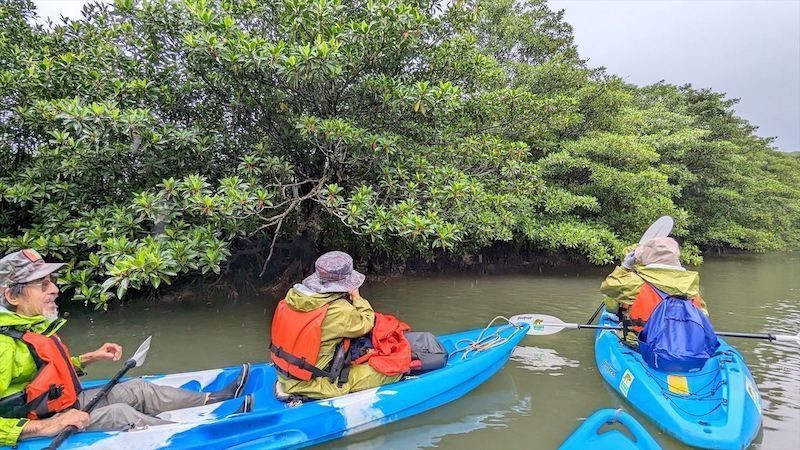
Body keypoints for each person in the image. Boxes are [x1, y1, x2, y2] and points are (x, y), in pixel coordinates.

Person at [0, 249, 250, 446]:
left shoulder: (28, 326)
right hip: (36, 422)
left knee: (138, 390)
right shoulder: (3, 345)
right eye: (42, 285)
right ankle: (205, 434)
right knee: (121, 413)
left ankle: (215, 400)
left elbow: (43, 373)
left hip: (63, 403)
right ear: (12, 296)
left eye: (51, 281)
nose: (55, 289)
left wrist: (89, 358)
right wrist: (49, 426)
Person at [270, 251, 403, 400]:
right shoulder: (338, 310)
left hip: (284, 374)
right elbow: (367, 322)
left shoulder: (292, 298)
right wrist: (357, 298)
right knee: (393, 372)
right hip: (310, 383)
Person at [600, 237, 708, 346]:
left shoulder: (636, 282)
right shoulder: (690, 285)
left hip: (642, 343)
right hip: (683, 345)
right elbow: (703, 314)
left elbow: (608, 286)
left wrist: (625, 267)